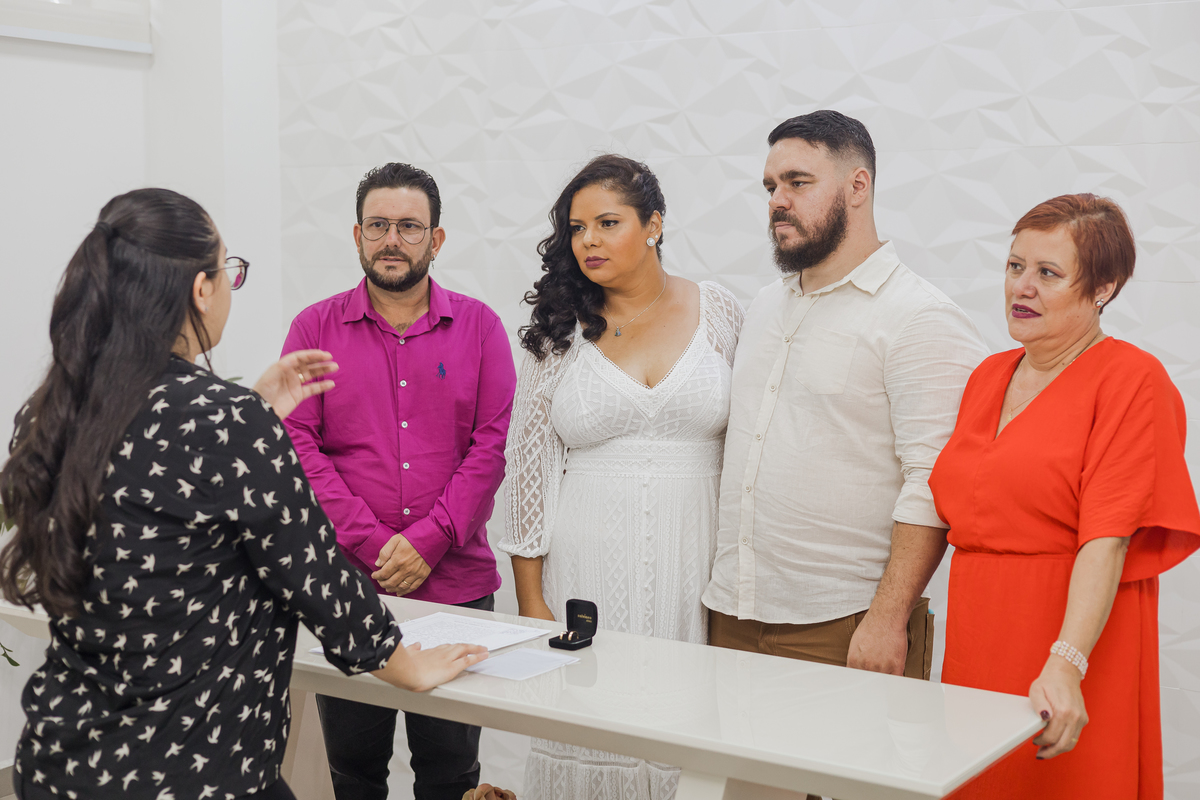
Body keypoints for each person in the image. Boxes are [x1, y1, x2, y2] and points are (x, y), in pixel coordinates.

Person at [0, 188, 486, 800]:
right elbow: (314, 574)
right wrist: (403, 662)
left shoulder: (50, 411)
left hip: (61, 759)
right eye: (230, 270)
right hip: (194, 769)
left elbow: (156, 508)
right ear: (201, 290)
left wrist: (253, 414)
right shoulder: (223, 420)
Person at [701, 110, 988, 688]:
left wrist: (887, 619)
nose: (778, 200)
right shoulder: (761, 307)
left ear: (859, 186)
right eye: (770, 187)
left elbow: (932, 480)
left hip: (846, 623)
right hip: (732, 613)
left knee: (859, 780)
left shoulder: (920, 316)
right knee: (743, 783)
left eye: (798, 182)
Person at [929, 194, 1200, 799]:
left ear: (1103, 288)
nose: (1021, 287)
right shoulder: (987, 377)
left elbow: (1108, 539)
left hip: (1070, 639)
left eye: (1048, 274)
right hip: (977, 637)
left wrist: (1066, 662)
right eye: (1014, 266)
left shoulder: (1133, 380)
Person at [501, 153, 744, 799]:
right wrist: (531, 601)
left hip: (693, 564)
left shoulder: (719, 310)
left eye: (607, 223)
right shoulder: (560, 331)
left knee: (689, 731)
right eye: (577, 228)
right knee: (587, 724)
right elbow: (529, 466)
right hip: (585, 565)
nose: (589, 242)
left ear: (654, 224)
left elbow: (750, 446)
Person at [281, 163, 517, 800]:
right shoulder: (314, 328)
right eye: (379, 225)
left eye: (409, 227)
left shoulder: (480, 327)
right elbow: (298, 445)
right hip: (350, 590)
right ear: (356, 234)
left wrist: (430, 541)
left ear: (436, 240)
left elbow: (490, 446)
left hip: (457, 592)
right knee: (355, 772)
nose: (392, 239)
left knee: (451, 772)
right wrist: (373, 544)